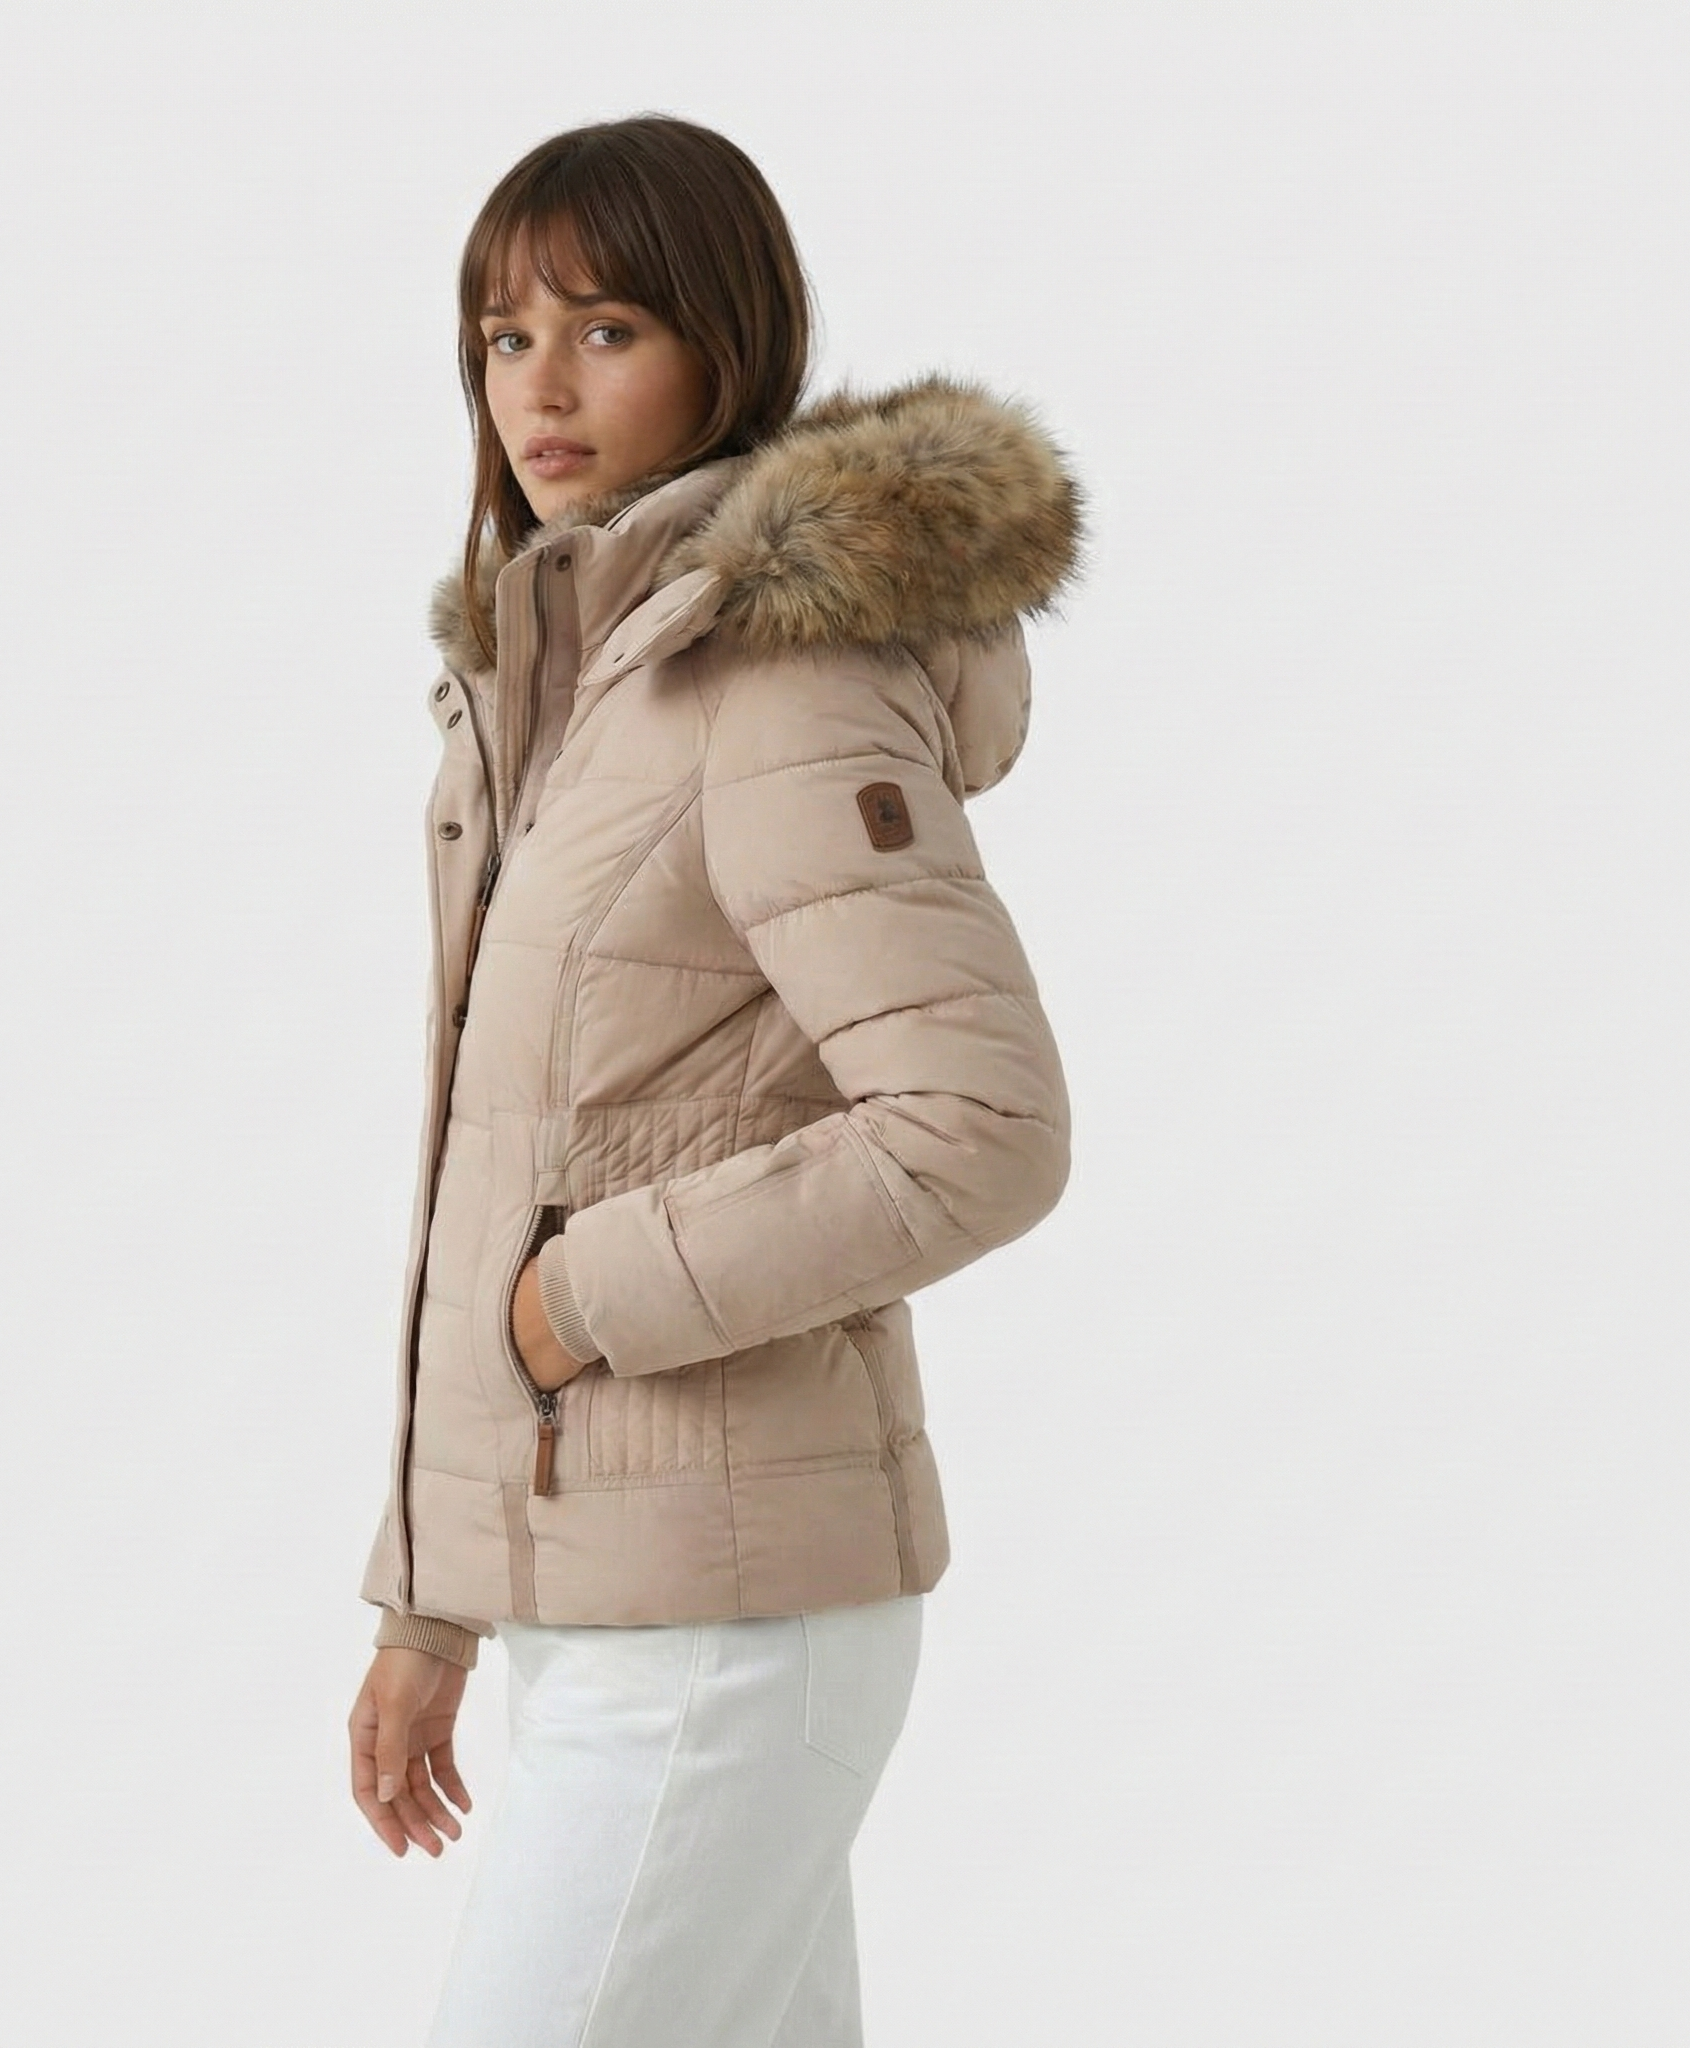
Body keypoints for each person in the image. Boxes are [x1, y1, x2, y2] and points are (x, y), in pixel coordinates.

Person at [347, 113, 1083, 2047]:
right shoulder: (561, 688)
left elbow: (981, 1130)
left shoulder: (778, 679)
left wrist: (579, 1299)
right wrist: (430, 1608)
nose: (540, 388)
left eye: (605, 328)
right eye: (504, 338)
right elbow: (510, 1152)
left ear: (727, 346)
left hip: (727, 1629)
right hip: (606, 1601)